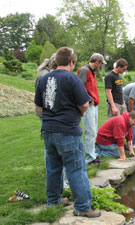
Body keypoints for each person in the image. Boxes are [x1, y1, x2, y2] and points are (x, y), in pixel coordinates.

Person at [34, 47, 101, 218]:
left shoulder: (43, 78)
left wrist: (50, 119)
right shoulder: (72, 78)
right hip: (68, 132)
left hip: (48, 132)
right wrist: (80, 113)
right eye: (74, 63)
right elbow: (85, 104)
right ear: (71, 62)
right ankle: (83, 207)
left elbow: (39, 108)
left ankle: (54, 200)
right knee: (76, 169)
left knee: (53, 168)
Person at [77, 53, 107, 165]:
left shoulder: (92, 71)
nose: (100, 66)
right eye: (101, 63)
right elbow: (79, 87)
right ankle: (90, 158)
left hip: (94, 105)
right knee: (90, 131)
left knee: (93, 131)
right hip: (88, 106)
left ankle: (93, 155)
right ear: (97, 62)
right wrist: (88, 100)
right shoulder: (85, 70)